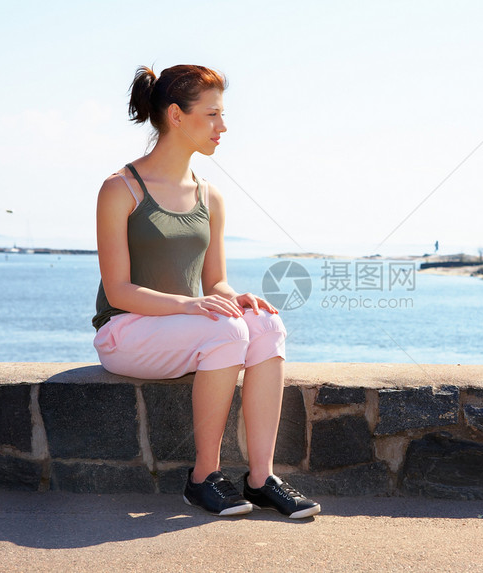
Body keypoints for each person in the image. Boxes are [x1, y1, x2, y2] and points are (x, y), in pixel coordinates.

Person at [91, 64, 320, 519]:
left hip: (180, 327)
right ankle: (203, 477)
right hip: (125, 332)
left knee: (266, 322)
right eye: (212, 114)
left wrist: (233, 298)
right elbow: (118, 292)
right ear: (176, 115)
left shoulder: (209, 196)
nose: (223, 126)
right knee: (227, 334)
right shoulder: (120, 189)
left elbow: (214, 280)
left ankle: (260, 479)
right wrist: (193, 305)